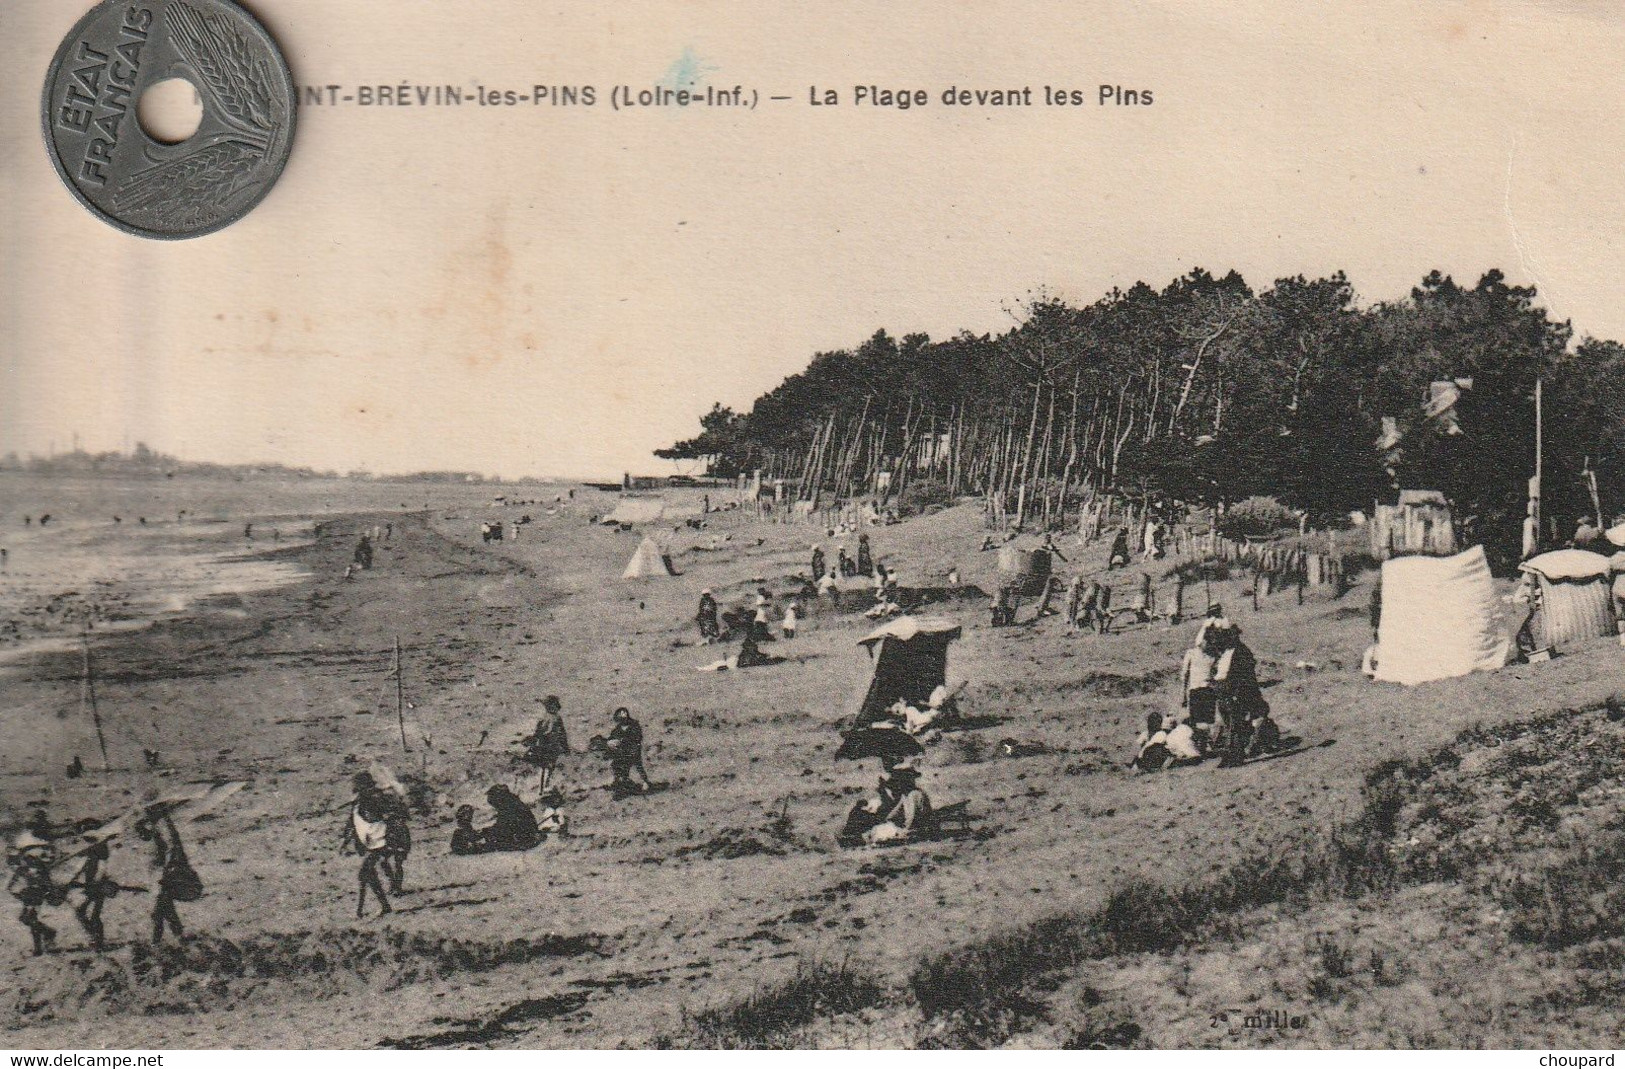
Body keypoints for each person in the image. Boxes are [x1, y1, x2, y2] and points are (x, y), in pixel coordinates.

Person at [136, 811, 196, 943]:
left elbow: (172, 840)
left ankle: (162, 937)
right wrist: (166, 819)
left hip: (170, 882)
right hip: (175, 883)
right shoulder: (177, 858)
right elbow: (174, 838)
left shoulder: (173, 863)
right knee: (162, 907)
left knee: (162, 907)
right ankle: (167, 936)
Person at [7, 817, 59, 956]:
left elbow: (46, 880)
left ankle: (38, 948)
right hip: (30, 893)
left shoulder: (38, 866)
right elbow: (13, 882)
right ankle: (48, 932)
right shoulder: (26, 867)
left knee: (31, 919)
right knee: (26, 918)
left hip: (36, 894)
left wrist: (48, 891)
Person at [346, 773, 395, 918]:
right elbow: (354, 822)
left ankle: (365, 910)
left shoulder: (371, 801)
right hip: (372, 843)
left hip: (379, 843)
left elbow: (377, 819)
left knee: (364, 874)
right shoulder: (361, 802)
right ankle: (364, 910)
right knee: (368, 875)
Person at [524, 695, 571, 794]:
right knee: (549, 767)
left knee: (546, 767)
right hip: (550, 746)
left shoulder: (546, 718)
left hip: (546, 745)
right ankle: (545, 786)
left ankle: (544, 787)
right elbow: (562, 734)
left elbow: (538, 733)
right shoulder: (554, 718)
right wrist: (565, 747)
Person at [481, 786, 541, 851]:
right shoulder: (512, 802)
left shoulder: (508, 807)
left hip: (523, 838)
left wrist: (488, 832)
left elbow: (504, 827)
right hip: (526, 834)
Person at [606, 708, 651, 792]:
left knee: (638, 766)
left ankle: (645, 782)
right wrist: (610, 742)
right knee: (616, 765)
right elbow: (612, 737)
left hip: (633, 750)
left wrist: (623, 741)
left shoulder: (634, 726)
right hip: (622, 751)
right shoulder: (618, 729)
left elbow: (637, 738)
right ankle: (619, 781)